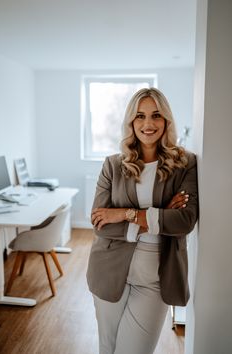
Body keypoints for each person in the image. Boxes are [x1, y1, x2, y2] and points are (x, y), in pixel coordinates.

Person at [86, 87, 198, 354]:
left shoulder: (185, 163)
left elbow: (184, 220)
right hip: (109, 269)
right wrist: (159, 215)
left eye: (156, 115)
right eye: (140, 116)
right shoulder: (113, 165)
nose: (148, 124)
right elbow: (100, 223)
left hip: (157, 276)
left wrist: (124, 213)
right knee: (108, 347)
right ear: (131, 122)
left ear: (166, 120)